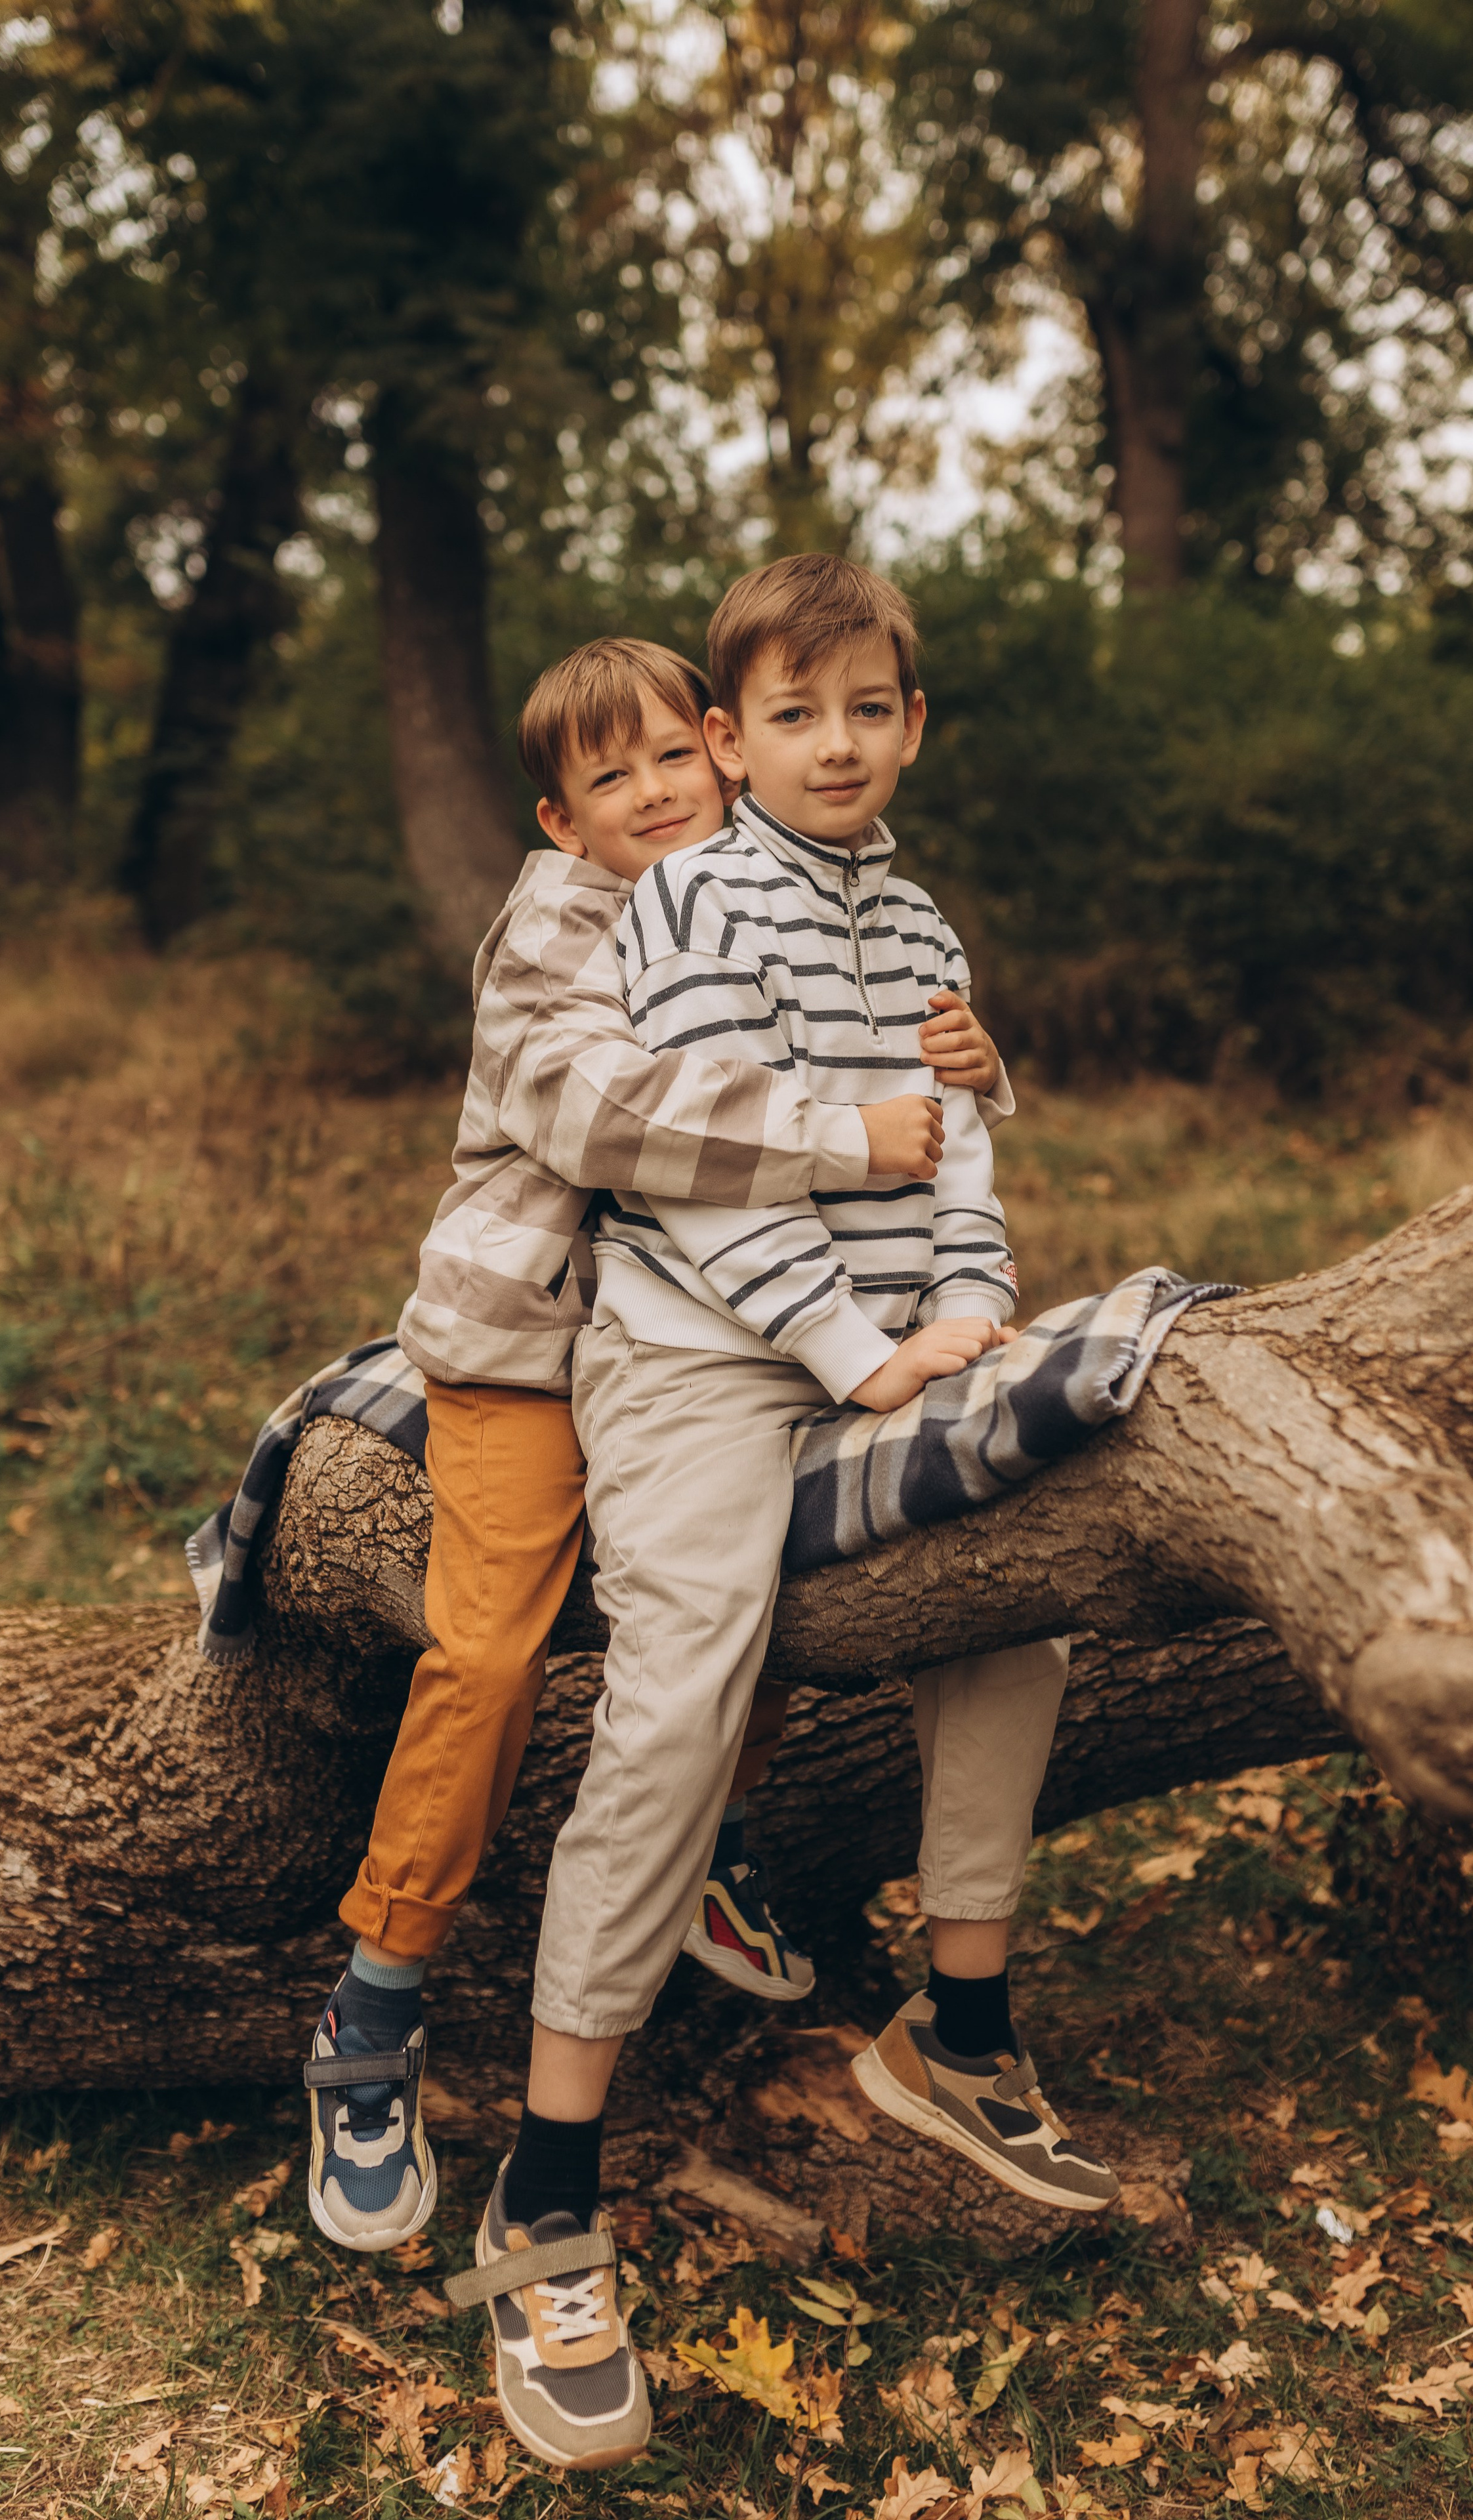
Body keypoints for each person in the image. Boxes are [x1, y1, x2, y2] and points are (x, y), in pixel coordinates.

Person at [449, 557, 1117, 2472]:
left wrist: (975, 1305)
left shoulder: (914, 915)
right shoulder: (690, 895)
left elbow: (955, 1137)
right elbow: (702, 1177)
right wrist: (847, 1346)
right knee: (678, 1694)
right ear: (731, 745)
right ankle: (547, 2185)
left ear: (917, 724)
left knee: (1024, 1575)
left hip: (901, 1336)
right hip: (705, 1357)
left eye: (873, 709)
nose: (840, 745)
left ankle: (960, 2038)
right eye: (796, 716)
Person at [304, 636, 1005, 2262]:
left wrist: (974, 1067)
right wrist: (839, 1134)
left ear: (717, 748)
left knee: (747, 1586)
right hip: (525, 1355)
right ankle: (375, 1998)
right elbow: (601, 1121)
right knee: (488, 1656)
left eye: (667, 761)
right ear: (561, 823)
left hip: (706, 1338)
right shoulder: (560, 925)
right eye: (605, 783)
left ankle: (706, 1844)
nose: (650, 797)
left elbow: (904, 1051)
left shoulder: (771, 887)